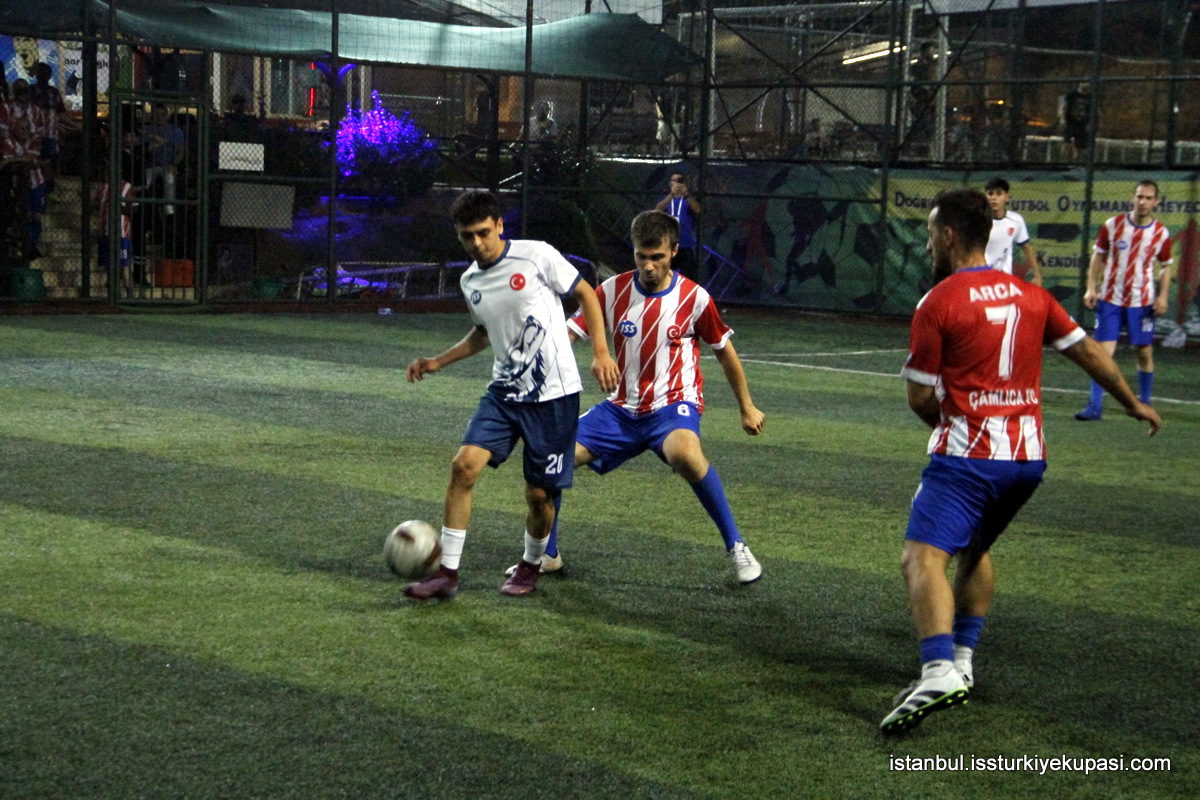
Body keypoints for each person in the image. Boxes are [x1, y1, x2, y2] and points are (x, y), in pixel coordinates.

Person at [881, 187, 1162, 735]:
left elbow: (919, 397)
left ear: (949, 236)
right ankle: (963, 661)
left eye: (932, 233)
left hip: (969, 457)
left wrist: (952, 428)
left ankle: (937, 669)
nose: (929, 244)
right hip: (1028, 460)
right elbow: (1087, 351)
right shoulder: (1032, 296)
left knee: (921, 558)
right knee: (975, 547)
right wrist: (1132, 402)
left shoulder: (938, 301)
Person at [506, 210, 766, 584]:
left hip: (672, 405)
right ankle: (547, 555)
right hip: (620, 409)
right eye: (641, 256)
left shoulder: (695, 298)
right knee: (549, 461)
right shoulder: (610, 291)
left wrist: (747, 406)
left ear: (673, 251)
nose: (648, 266)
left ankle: (737, 546)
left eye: (657, 257)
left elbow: (724, 352)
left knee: (686, 455)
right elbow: (569, 334)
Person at [404, 190, 619, 601]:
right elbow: (483, 332)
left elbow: (587, 294)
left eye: (483, 232)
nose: (476, 243)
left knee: (538, 496)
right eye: (467, 236)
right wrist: (438, 361)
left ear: (500, 225)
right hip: (503, 393)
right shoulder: (470, 281)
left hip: (554, 396)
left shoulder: (535, 255)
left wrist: (601, 352)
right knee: (463, 468)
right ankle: (446, 574)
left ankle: (532, 563)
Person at [1075, 180, 1174, 421]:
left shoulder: (1160, 233)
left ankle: (1144, 402)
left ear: (1155, 202)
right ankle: (1095, 405)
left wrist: (1162, 295)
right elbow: (1097, 256)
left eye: (1148, 198)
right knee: (1102, 354)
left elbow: (1166, 266)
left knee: (1144, 352)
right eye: (1139, 196)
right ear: (1133, 198)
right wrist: (1091, 287)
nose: (1143, 202)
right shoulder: (1113, 225)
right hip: (1111, 299)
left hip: (1142, 302)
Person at [0, 114, 48, 260]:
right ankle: (26, 246)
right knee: (22, 214)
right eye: (21, 128)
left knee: (36, 215)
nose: (24, 131)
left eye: (27, 128)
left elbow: (29, 158)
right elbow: (19, 163)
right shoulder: (7, 142)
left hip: (36, 183)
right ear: (14, 129)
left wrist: (12, 160)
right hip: (18, 185)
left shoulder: (34, 140)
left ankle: (31, 246)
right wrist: (21, 162)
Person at [984, 177, 1042, 286]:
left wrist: (1037, 275)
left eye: (999, 193)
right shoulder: (977, 220)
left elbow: (1027, 247)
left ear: (1006, 197)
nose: (994, 198)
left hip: (1004, 280)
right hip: (981, 278)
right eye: (990, 194)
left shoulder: (1016, 220)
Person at [655, 172, 702, 282]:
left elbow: (698, 210)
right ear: (670, 183)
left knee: (689, 277)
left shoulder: (688, 199)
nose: (677, 183)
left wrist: (686, 194)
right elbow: (658, 209)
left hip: (685, 244)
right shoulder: (665, 198)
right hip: (667, 244)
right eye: (674, 180)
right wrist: (671, 194)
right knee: (664, 276)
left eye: (679, 180)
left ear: (684, 183)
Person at [141, 102, 184, 215]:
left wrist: (173, 164)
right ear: (152, 115)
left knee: (169, 179)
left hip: (167, 165)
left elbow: (181, 151)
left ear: (167, 115)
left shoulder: (175, 131)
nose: (159, 117)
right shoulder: (146, 129)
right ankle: (142, 208)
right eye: (157, 114)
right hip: (149, 165)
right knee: (144, 184)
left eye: (162, 114)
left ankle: (169, 210)